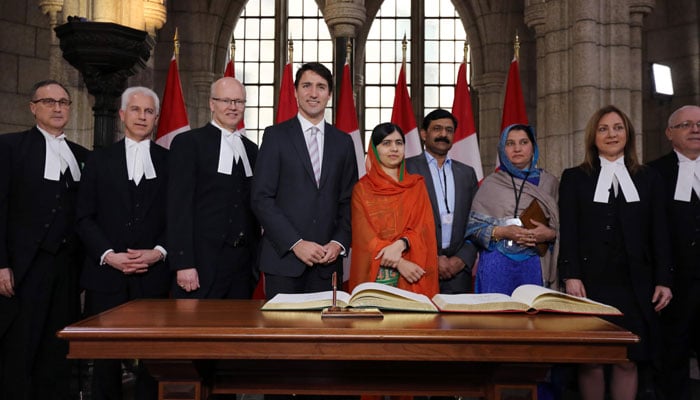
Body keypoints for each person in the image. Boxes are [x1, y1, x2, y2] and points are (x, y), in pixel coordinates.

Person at [558, 105, 673, 400]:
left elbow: (660, 233)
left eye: (618, 128)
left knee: (628, 358)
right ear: (593, 137)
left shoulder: (648, 178)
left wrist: (664, 279)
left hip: (636, 284)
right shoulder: (575, 178)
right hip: (590, 283)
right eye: (604, 129)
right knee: (592, 359)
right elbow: (569, 231)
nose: (612, 134)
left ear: (628, 134)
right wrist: (570, 275)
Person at [76, 86, 170, 400]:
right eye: (135, 110)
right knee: (105, 360)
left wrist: (158, 253)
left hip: (154, 277)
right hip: (106, 276)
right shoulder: (99, 159)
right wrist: (108, 255)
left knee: (153, 361)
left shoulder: (170, 161)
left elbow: (180, 217)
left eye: (148, 111)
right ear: (122, 114)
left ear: (156, 118)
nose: (142, 116)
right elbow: (83, 217)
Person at [0, 80, 89, 399]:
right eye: (49, 102)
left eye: (64, 102)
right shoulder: (10, 147)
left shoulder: (81, 155)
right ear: (32, 107)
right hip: (25, 267)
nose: (57, 108)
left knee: (58, 347)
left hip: (66, 268)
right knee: (21, 346)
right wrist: (1, 264)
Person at [251, 62, 358, 299]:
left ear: (329, 94)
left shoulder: (343, 142)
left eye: (321, 87)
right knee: (283, 334)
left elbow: (349, 200)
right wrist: (296, 243)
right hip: (284, 261)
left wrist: (339, 243)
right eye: (307, 85)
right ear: (296, 91)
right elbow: (261, 198)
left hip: (327, 262)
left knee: (326, 336)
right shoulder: (275, 136)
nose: (313, 93)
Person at [168, 77, 259, 299]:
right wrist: (184, 263)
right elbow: (178, 207)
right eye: (226, 100)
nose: (233, 107)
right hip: (201, 263)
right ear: (211, 104)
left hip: (243, 265)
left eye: (239, 101)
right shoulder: (189, 143)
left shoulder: (251, 149)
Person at [465, 124, 559, 295]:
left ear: (533, 147)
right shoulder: (490, 183)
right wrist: (501, 231)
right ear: (502, 148)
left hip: (536, 263)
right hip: (497, 263)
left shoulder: (549, 183)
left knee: (534, 318)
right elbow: (472, 228)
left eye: (523, 142)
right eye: (510, 143)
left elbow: (563, 228)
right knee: (498, 319)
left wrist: (549, 234)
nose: (517, 148)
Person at [349, 122, 439, 298]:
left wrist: (401, 244)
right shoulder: (362, 189)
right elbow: (364, 237)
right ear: (374, 149)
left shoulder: (416, 185)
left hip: (415, 273)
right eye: (386, 143)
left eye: (399, 143)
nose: (394, 148)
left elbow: (424, 227)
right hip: (376, 277)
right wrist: (399, 263)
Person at [647, 105, 700, 400]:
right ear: (669, 133)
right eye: (687, 124)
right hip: (672, 285)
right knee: (672, 361)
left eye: (699, 124)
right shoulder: (654, 173)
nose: (695, 129)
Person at [406, 109, 478, 294]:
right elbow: (401, 222)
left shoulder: (467, 173)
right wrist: (432, 258)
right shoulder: (406, 169)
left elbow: (477, 222)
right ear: (424, 134)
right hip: (417, 268)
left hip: (458, 271)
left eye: (449, 130)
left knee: (458, 323)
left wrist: (462, 259)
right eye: (437, 129)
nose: (443, 134)